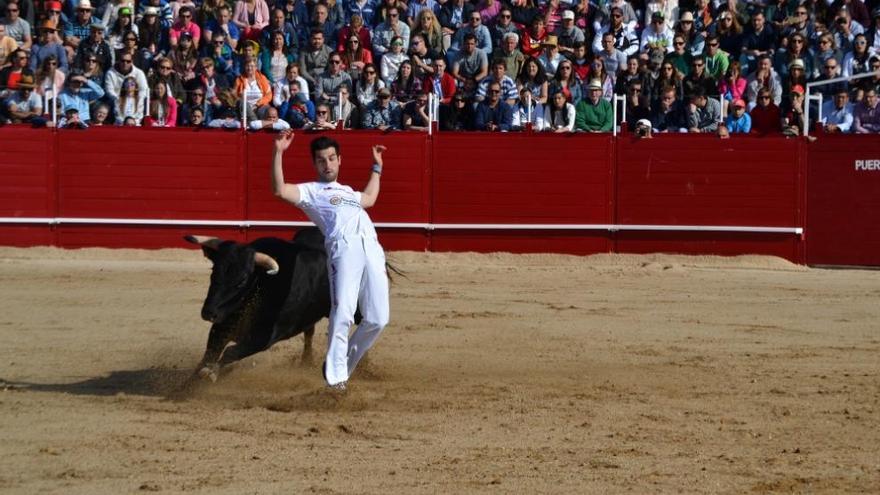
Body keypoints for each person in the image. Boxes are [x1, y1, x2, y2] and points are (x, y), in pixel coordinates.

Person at [270, 132, 390, 392]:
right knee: (343, 313)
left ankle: (340, 368)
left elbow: (369, 198)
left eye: (331, 158)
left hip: (372, 247)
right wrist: (279, 152)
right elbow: (279, 190)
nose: (327, 164)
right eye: (322, 160)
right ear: (315, 164)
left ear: (339, 161)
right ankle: (336, 381)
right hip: (344, 249)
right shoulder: (311, 191)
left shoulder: (348, 191)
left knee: (378, 319)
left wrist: (377, 165)